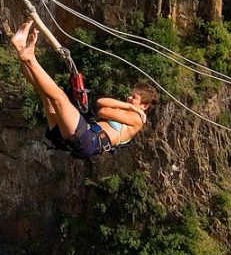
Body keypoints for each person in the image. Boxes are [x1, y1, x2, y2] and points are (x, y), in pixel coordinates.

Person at [10, 19, 157, 158]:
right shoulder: (130, 110)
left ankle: (30, 58)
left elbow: (103, 111)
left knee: (60, 98)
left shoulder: (137, 118)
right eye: (131, 95)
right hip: (78, 136)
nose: (129, 98)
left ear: (144, 106)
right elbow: (101, 102)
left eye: (134, 98)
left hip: (89, 140)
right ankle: (20, 46)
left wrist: (134, 110)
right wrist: (130, 106)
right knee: (45, 95)